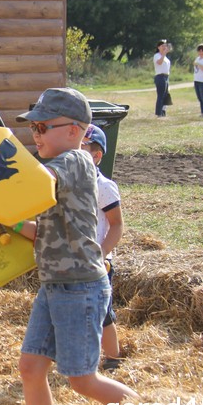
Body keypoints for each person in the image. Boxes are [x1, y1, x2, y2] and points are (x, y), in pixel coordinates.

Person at [12, 88, 138, 405]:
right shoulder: (54, 170)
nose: (34, 134)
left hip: (80, 286)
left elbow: (35, 182)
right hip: (54, 284)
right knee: (31, 368)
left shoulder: (74, 161)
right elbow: (41, 232)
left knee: (82, 380)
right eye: (32, 128)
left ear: (73, 130)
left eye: (41, 127)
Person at [81, 125, 124, 372]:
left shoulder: (104, 187)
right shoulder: (69, 184)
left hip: (97, 262)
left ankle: (113, 357)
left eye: (82, 149)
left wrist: (102, 254)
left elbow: (117, 225)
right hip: (76, 260)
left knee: (102, 313)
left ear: (97, 156)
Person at [153, 39, 171, 117]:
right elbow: (159, 62)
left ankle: (163, 111)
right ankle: (159, 113)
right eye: (162, 46)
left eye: (165, 46)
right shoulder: (157, 56)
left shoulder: (166, 57)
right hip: (160, 76)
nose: (164, 47)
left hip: (166, 76)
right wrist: (163, 54)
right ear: (158, 47)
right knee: (160, 95)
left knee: (166, 95)